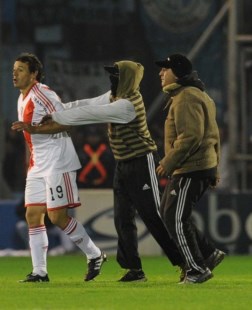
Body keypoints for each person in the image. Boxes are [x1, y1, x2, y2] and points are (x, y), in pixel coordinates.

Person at [14, 60, 187, 282]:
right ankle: (133, 269)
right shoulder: (113, 95)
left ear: (126, 78)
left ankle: (187, 261)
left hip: (140, 161)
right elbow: (86, 103)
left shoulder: (128, 103)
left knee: (152, 215)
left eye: (116, 76)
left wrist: (52, 119)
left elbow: (91, 113)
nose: (112, 80)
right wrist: (62, 109)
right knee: (122, 218)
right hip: (122, 162)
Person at [11, 53, 106, 282]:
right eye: (14, 69)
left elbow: (67, 121)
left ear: (34, 74)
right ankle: (40, 272)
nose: (14, 73)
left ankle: (95, 255)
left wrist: (33, 129)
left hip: (57, 161)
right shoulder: (21, 98)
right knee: (32, 215)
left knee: (56, 217)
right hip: (37, 165)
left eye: (21, 69)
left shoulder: (43, 93)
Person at [155, 53, 225, 284]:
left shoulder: (186, 97)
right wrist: (214, 168)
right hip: (197, 166)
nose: (161, 73)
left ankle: (197, 269)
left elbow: (191, 136)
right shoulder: (196, 94)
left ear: (177, 72)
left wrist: (168, 162)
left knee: (174, 217)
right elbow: (214, 134)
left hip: (190, 167)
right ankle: (207, 254)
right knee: (171, 214)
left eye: (165, 69)